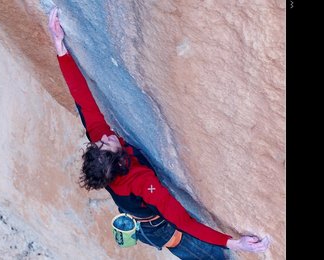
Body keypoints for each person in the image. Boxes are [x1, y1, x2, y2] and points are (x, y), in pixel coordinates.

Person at [47, 7, 270, 259]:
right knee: (214, 257)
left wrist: (60, 47)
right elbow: (185, 222)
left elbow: (83, 99)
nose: (107, 137)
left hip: (135, 211)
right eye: (108, 143)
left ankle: (138, 232)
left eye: (100, 143)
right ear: (121, 161)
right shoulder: (143, 183)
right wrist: (235, 243)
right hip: (163, 229)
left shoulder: (104, 152)